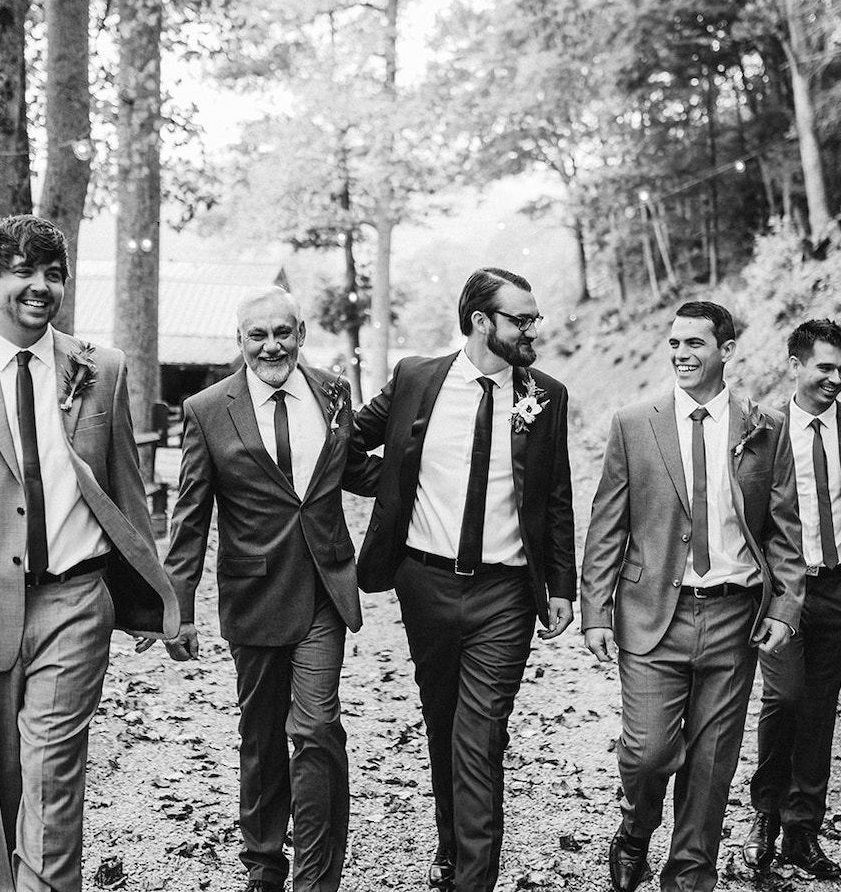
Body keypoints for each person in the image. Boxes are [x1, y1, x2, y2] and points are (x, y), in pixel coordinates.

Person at [0, 214, 179, 892]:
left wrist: (156, 599)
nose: (39, 286)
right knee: (6, 777)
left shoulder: (100, 369)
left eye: (52, 273)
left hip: (75, 598)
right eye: (23, 271)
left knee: (51, 775)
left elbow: (126, 487)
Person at [351, 267, 575, 892]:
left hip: (505, 592)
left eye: (533, 318)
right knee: (442, 720)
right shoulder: (417, 379)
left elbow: (555, 495)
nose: (534, 329)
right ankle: (451, 847)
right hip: (423, 582)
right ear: (482, 323)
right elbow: (346, 445)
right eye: (521, 320)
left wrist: (561, 586)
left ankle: (474, 880)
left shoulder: (546, 396)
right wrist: (396, 485)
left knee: (480, 736)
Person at [155, 287, 377, 892]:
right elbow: (191, 514)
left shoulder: (333, 392)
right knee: (260, 733)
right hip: (253, 593)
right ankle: (263, 860)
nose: (271, 345)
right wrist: (179, 605)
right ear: (241, 341)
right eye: (258, 335)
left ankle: (316, 872)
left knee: (315, 727)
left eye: (283, 332)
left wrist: (426, 462)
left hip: (325, 585)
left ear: (301, 334)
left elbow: (351, 467)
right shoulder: (207, 409)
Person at [580, 300, 803, 892]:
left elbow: (784, 527)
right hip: (654, 611)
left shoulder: (765, 426)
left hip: (735, 614)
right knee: (649, 751)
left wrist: (784, 605)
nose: (681, 354)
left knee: (711, 763)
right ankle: (635, 828)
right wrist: (595, 612)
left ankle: (689, 874)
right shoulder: (635, 423)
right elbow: (608, 524)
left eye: (694, 344)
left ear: (725, 351)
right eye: (674, 344)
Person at [742, 319, 841, 878]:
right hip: (782, 590)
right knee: (785, 699)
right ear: (795, 365)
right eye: (825, 367)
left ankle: (803, 830)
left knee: (820, 706)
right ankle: (765, 814)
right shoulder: (765, 427)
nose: (836, 379)